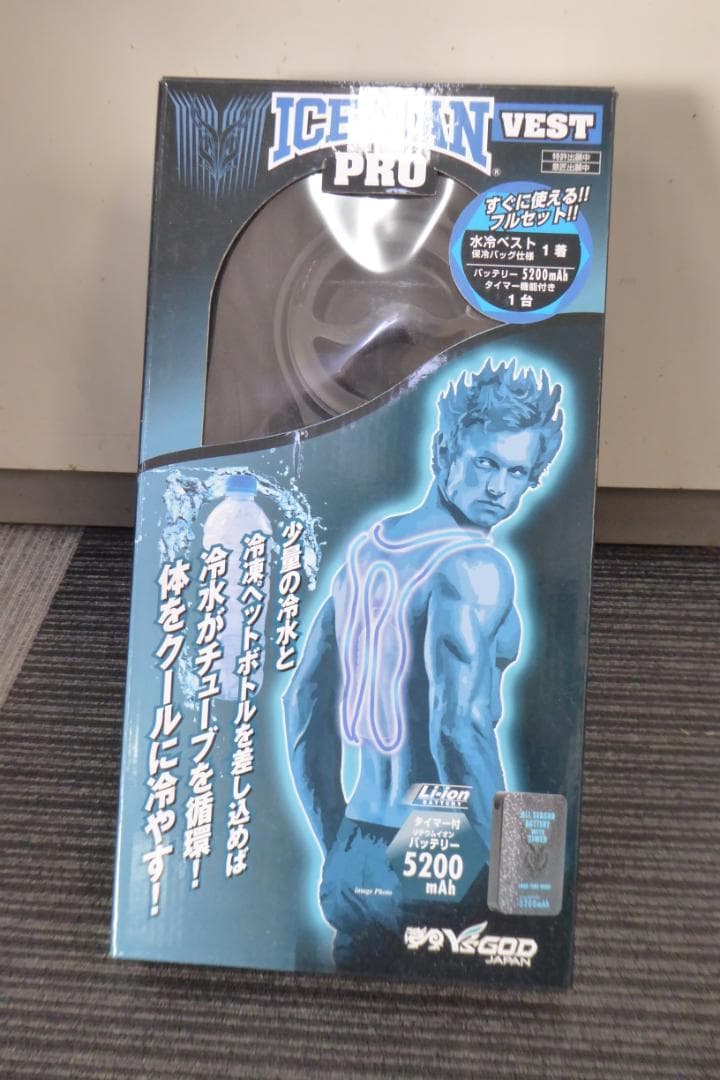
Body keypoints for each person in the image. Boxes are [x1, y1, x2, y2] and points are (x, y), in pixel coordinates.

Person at [283, 358, 564, 968]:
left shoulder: (368, 553)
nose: (499, 488)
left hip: (358, 842)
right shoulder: (476, 567)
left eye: (518, 472)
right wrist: (517, 870)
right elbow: (458, 726)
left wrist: (338, 844)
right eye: (485, 463)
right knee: (477, 1011)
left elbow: (302, 703)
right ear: (443, 451)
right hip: (442, 850)